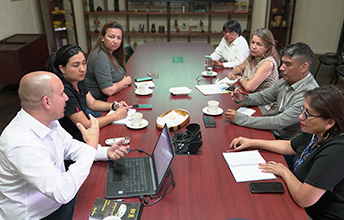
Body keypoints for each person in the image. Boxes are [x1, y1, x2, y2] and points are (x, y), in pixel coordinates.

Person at [0, 71, 129, 220]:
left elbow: (69, 146)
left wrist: (105, 152)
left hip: (57, 201)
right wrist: (91, 147)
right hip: (41, 215)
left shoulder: (49, 120)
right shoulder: (20, 143)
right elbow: (61, 192)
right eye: (61, 94)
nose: (67, 98)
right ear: (47, 102)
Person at [229, 85, 344, 220]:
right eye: (303, 109)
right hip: (296, 198)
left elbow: (304, 199)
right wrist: (252, 142)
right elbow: (289, 146)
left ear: (329, 122)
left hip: (314, 214)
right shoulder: (317, 131)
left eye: (308, 113)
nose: (301, 116)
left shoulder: (337, 151)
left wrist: (284, 171)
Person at [225, 42, 319, 140]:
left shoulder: (309, 94)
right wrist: (243, 98)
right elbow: (264, 96)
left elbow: (278, 122)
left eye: (288, 64)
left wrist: (240, 119)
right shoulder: (286, 80)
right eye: (282, 63)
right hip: (276, 134)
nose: (281, 68)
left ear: (303, 67)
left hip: (289, 144)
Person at [48, 44, 130, 142]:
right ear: (62, 69)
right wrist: (116, 116)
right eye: (76, 65)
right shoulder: (64, 91)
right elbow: (85, 124)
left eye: (83, 63)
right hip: (74, 140)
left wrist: (113, 105)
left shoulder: (78, 79)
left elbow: (92, 103)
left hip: (85, 132)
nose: (82, 69)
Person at [85, 21, 132, 101]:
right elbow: (108, 90)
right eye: (111, 37)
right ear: (102, 37)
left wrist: (120, 84)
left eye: (119, 38)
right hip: (100, 104)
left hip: (111, 99)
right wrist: (124, 82)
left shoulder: (111, 53)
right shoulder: (100, 58)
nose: (115, 41)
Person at [227, 28, 280, 93]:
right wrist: (233, 72)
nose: (253, 47)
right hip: (250, 96)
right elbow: (240, 68)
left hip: (263, 101)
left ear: (267, 47)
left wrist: (239, 78)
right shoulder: (253, 57)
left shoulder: (268, 63)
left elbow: (249, 87)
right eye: (253, 42)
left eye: (258, 44)